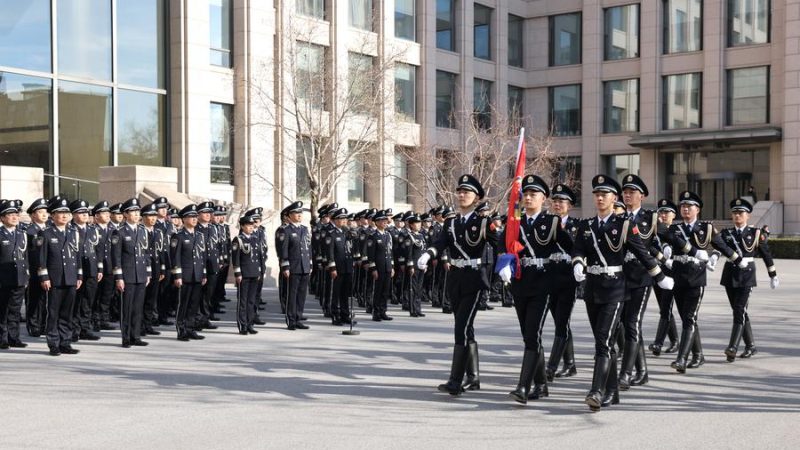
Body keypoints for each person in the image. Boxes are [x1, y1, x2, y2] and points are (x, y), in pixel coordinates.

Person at [571, 175, 673, 411]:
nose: (599, 198)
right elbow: (578, 248)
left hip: (616, 288)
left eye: (604, 194)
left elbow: (642, 252)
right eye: (596, 194)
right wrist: (577, 262)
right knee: (603, 339)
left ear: (613, 198)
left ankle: (596, 391)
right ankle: (613, 391)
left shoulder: (624, 225)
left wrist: (659, 276)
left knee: (603, 340)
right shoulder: (586, 226)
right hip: (593, 288)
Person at [417, 174, 498, 396]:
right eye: (460, 191)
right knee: (466, 329)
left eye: (467, 192)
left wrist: (504, 268)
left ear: (476, 197)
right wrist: (428, 253)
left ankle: (455, 380)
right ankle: (474, 378)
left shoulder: (483, 222)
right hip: (455, 279)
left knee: (461, 328)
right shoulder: (451, 223)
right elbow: (440, 243)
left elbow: (499, 244)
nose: (462, 195)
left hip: (473, 279)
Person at [497, 175, 571, 404]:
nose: (528, 198)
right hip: (520, 283)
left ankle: (523, 386)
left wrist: (576, 263)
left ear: (543, 199)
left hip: (543, 283)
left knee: (532, 335)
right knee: (527, 336)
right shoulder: (514, 222)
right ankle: (540, 384)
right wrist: (503, 266)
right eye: (525, 194)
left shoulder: (552, 222)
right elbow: (502, 246)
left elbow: (572, 247)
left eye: (533, 195)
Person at [666, 191, 740, 373]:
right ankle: (698, 355)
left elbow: (722, 245)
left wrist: (738, 260)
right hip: (677, 277)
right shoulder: (674, 228)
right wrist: (666, 248)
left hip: (696, 278)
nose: (685, 209)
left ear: (697, 209)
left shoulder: (706, 228)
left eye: (689, 206)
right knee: (687, 318)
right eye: (682, 206)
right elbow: (663, 239)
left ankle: (682, 359)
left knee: (689, 318)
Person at [719, 198, 779, 362]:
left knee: (739, 309)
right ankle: (751, 345)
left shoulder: (756, 234)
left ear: (748, 216)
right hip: (730, 274)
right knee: (739, 311)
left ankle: (732, 347)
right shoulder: (727, 233)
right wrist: (713, 258)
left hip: (746, 275)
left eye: (741, 213)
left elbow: (766, 254)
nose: (737, 215)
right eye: (735, 213)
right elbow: (719, 247)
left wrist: (772, 275)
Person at [617, 174, 661, 390]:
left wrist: (663, 255)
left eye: (632, 192)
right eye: (625, 192)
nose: (627, 195)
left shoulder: (651, 219)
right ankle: (642, 371)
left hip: (642, 276)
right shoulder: (617, 217)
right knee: (626, 324)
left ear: (641, 195)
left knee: (633, 322)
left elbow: (665, 239)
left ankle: (626, 373)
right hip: (621, 277)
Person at [37, 197, 83, 356]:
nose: (64, 216)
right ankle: (53, 343)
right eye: (60, 213)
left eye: (66, 213)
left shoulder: (73, 232)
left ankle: (65, 342)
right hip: (55, 279)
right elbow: (42, 258)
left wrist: (79, 275)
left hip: (70, 277)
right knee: (54, 312)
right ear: (53, 215)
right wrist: (44, 277)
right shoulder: (46, 233)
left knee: (67, 312)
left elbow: (77, 255)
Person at [545, 184, 580, 380]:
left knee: (562, 322)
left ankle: (551, 367)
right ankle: (570, 363)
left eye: (562, 201)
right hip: (550, 276)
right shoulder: (547, 224)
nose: (558, 204)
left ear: (570, 206)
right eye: (555, 201)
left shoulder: (577, 225)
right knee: (560, 322)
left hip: (568, 277)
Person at [111, 198, 152, 348]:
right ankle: (126, 337)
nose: (136, 214)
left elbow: (147, 252)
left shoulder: (142, 230)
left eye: (137, 211)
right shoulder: (119, 232)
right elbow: (116, 257)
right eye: (133, 212)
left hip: (140, 274)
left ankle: (136, 336)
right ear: (125, 214)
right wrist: (119, 277)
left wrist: (148, 272)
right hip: (127, 275)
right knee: (126, 307)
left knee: (137, 307)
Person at [170, 204, 207, 341]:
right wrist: (177, 276)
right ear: (184, 219)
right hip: (185, 276)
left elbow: (202, 256)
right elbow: (176, 257)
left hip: (197, 275)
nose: (194, 219)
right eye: (191, 217)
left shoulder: (199, 235)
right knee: (183, 304)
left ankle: (191, 328)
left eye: (195, 217)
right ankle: (182, 330)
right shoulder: (178, 236)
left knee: (193, 304)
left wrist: (203, 273)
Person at [649, 199, 680, 356]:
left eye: (666, 212)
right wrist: (662, 258)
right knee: (664, 308)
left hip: (673, 273)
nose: (663, 215)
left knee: (666, 308)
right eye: (660, 212)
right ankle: (674, 341)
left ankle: (658, 343)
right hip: (658, 272)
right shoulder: (655, 231)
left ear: (673, 215)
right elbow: (650, 246)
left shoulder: (677, 231)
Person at [69, 199, 102, 342]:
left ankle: (85, 328)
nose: (84, 215)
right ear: (74, 215)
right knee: (76, 301)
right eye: (80, 213)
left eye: (86, 213)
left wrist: (99, 267)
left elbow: (98, 250)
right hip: (77, 269)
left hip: (92, 269)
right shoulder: (70, 230)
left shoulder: (93, 229)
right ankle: (74, 329)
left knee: (88, 300)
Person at [0, 199, 29, 349]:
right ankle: (2, 338)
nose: (14, 217)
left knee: (15, 309)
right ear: (2, 218)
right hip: (3, 279)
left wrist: (27, 275)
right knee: (2, 309)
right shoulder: (0, 233)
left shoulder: (22, 234)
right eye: (9, 214)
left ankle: (14, 337)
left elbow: (26, 257)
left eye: (15, 214)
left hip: (19, 277)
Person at [279, 201, 312, 330]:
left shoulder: (304, 229)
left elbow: (308, 247)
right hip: (293, 267)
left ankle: (298, 317)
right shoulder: (286, 230)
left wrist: (310, 263)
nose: (299, 215)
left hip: (304, 266)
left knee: (301, 295)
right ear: (290, 215)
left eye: (300, 213)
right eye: (296, 213)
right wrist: (285, 267)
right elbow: (284, 250)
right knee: (291, 295)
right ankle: (291, 320)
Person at [231, 214, 265, 335]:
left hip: (254, 273)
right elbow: (236, 259)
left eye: (252, 225)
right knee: (243, 301)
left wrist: (260, 271)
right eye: (248, 225)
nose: (251, 227)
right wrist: (238, 273)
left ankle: (250, 324)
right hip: (244, 274)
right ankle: (243, 325)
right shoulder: (238, 240)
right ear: (242, 226)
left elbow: (259, 257)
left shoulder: (255, 239)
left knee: (251, 301)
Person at [325, 208, 357, 325]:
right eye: (341, 219)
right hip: (337, 268)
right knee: (336, 293)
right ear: (335, 220)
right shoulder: (331, 234)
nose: (344, 221)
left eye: (345, 219)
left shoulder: (346, 232)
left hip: (347, 267)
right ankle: (335, 315)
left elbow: (351, 248)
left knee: (345, 293)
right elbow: (330, 252)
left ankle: (345, 315)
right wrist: (332, 268)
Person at [140, 203, 167, 336]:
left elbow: (161, 251)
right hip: (142, 269)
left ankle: (148, 324)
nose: (153, 218)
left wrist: (162, 268)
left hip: (155, 268)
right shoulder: (140, 230)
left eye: (154, 215)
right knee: (141, 299)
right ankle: (139, 325)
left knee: (151, 299)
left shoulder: (158, 231)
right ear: (143, 217)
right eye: (150, 215)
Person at [24, 198, 49, 337]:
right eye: (40, 212)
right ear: (33, 215)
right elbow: (27, 253)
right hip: (33, 271)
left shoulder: (50, 230)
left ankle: (43, 324)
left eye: (45, 212)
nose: (44, 214)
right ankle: (33, 326)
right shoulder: (29, 231)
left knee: (44, 300)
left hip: (46, 271)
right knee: (34, 299)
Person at [366, 209, 395, 322]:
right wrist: (373, 269)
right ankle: (376, 312)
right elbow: (371, 255)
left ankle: (383, 311)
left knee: (385, 291)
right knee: (378, 291)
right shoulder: (373, 236)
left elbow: (390, 252)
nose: (384, 222)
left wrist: (392, 266)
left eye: (385, 220)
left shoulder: (388, 235)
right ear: (376, 222)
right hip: (378, 268)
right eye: (382, 220)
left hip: (387, 267)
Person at [403, 213, 427, 318]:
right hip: (414, 266)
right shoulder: (409, 237)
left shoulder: (421, 236)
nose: (418, 225)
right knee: (412, 288)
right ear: (411, 225)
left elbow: (424, 251)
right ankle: (412, 309)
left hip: (421, 265)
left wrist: (425, 264)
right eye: (416, 223)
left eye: (419, 223)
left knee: (419, 288)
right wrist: (411, 266)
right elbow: (408, 253)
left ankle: (418, 309)